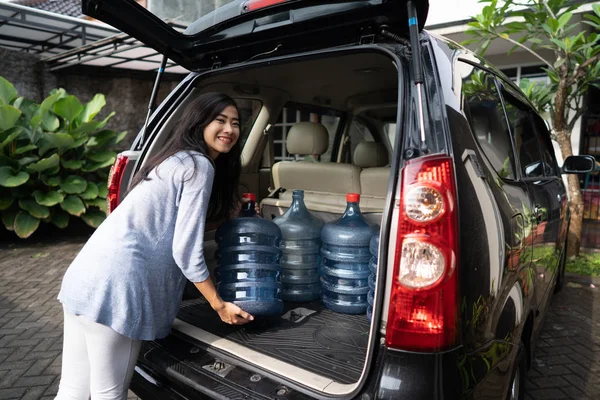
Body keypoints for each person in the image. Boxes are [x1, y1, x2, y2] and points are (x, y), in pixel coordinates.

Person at [55, 92, 254, 400]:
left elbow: (162, 226)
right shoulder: (200, 166)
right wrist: (219, 305)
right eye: (220, 120)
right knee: (110, 393)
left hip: (84, 278)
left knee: (72, 391)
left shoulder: (173, 158)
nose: (229, 129)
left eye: (235, 123)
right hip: (118, 291)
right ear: (199, 122)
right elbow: (185, 252)